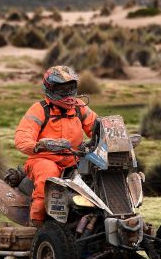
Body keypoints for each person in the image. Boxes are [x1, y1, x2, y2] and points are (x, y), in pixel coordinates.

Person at [14, 65, 98, 226]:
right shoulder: (39, 109)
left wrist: (115, 136)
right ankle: (37, 223)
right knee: (48, 174)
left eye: (70, 88)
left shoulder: (79, 107)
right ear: (50, 89)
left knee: (98, 172)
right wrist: (40, 146)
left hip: (74, 161)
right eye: (62, 90)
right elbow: (21, 138)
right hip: (42, 159)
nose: (68, 94)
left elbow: (97, 127)